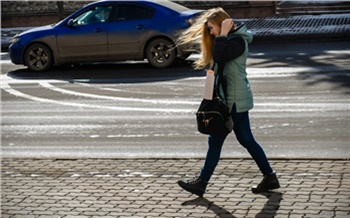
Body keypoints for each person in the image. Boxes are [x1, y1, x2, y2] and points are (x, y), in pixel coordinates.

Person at [176, 7, 280, 197]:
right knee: (246, 139)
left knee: (215, 141)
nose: (211, 32)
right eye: (209, 28)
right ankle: (269, 177)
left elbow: (220, 56)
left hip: (234, 101)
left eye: (212, 27)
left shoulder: (237, 41)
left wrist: (222, 34)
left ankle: (202, 183)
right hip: (233, 100)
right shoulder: (227, 41)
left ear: (223, 24)